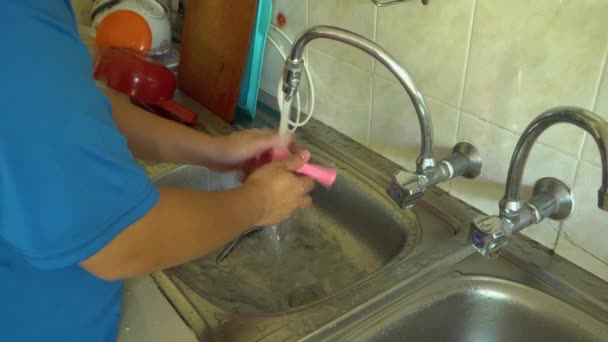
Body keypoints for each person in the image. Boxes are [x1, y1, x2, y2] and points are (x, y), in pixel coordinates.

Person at [0, 1, 315, 341]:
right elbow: (121, 240)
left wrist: (213, 150)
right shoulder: (17, 22)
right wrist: (259, 202)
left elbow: (80, 110)